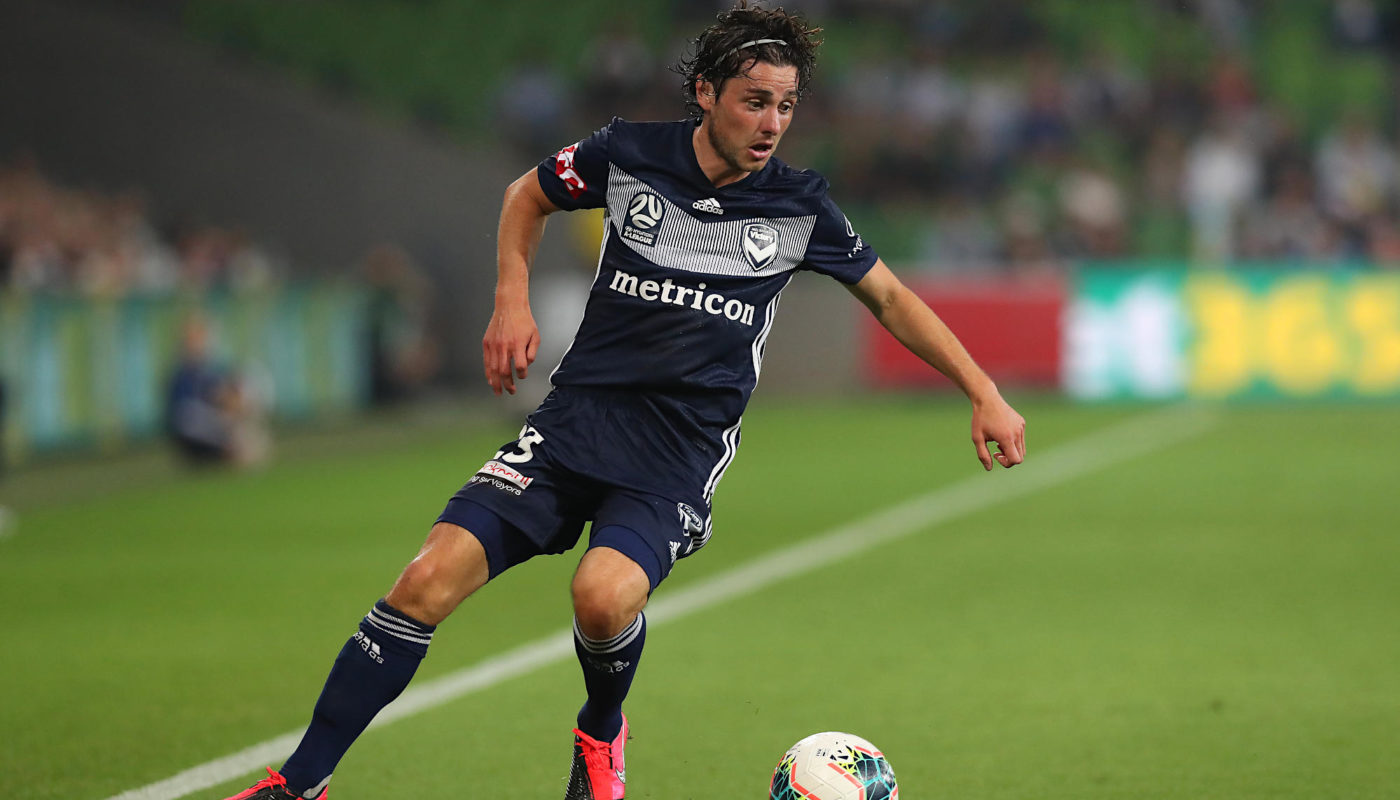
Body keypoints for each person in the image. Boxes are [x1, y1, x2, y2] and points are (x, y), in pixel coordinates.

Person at [225, 3, 1025, 799]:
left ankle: (601, 730)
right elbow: (526, 195)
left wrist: (982, 391)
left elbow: (891, 298)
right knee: (423, 581)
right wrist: (511, 299)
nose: (772, 124)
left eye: (785, 106)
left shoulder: (799, 206)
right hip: (574, 423)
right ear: (706, 92)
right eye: (755, 101)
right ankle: (300, 785)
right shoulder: (628, 154)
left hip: (676, 452)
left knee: (601, 597)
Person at [165, 315, 269, 467]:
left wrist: (232, 401)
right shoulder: (180, 375)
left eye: (200, 337)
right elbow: (184, 417)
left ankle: (240, 447)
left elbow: (235, 391)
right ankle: (231, 450)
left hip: (222, 425)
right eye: (192, 338)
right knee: (193, 417)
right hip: (195, 434)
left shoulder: (216, 368)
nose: (197, 343)